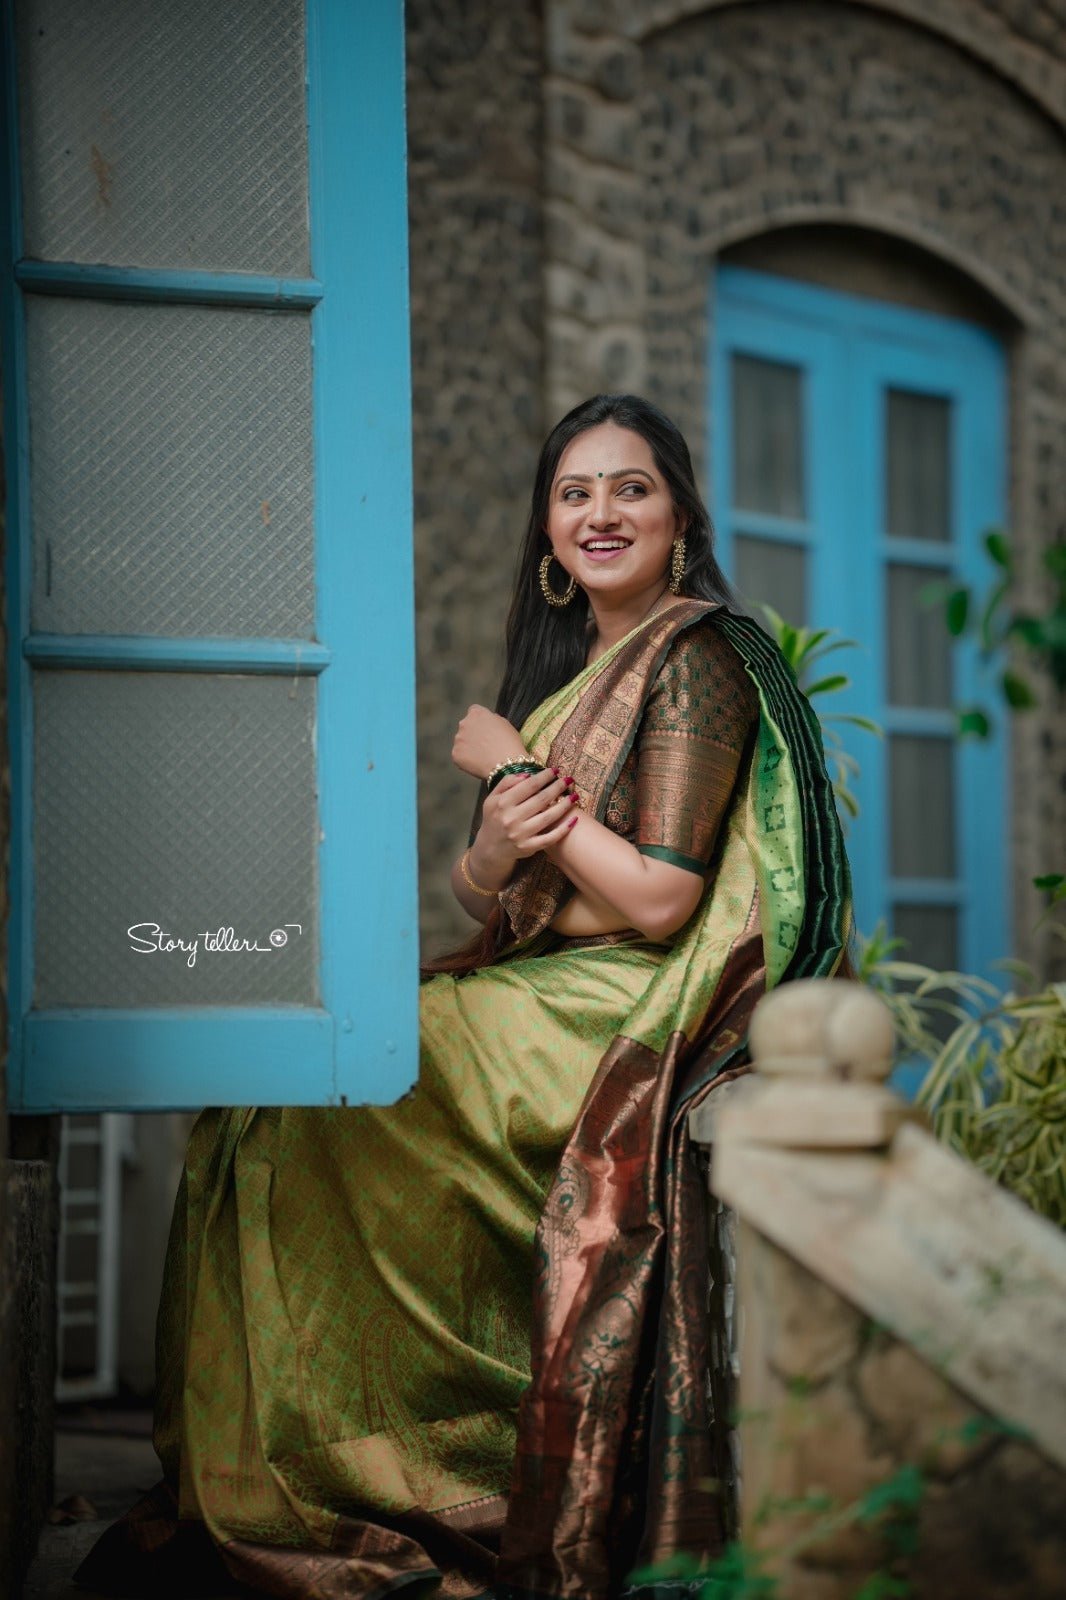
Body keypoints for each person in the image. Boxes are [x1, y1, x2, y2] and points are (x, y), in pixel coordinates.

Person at [78, 394, 851, 1600]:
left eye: (630, 487)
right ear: (547, 532)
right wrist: (495, 841)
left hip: (635, 1006)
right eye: (573, 492)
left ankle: (401, 1467)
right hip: (552, 983)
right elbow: (490, 892)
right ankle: (293, 1469)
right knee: (265, 1097)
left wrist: (505, 764)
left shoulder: (696, 656)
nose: (600, 512)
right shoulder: (574, 673)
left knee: (337, 1078)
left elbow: (656, 900)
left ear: (682, 517)